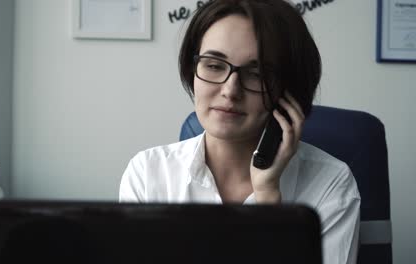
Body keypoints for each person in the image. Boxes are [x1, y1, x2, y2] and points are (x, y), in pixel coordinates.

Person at [120, 0, 360, 263]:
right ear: (193, 71)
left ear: (288, 90)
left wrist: (268, 199)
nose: (230, 91)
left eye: (256, 74)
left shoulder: (330, 183)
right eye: (213, 65)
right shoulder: (149, 173)